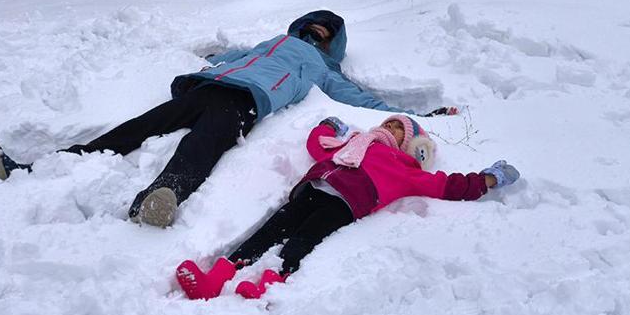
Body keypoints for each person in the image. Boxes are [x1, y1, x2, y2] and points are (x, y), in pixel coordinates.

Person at [0, 10, 432, 228]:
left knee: (198, 148)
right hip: (208, 88)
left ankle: (160, 199)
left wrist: (417, 116)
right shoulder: (273, 40)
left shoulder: (324, 70)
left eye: (324, 35)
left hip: (244, 103)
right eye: (313, 27)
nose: (316, 35)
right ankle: (31, 166)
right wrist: (211, 61)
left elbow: (359, 98)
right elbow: (234, 56)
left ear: (332, 46)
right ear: (300, 27)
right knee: (131, 131)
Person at [175, 115, 520, 300]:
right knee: (270, 231)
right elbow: (317, 145)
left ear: (410, 143)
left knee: (305, 238)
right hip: (313, 188)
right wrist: (329, 126)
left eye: (400, 128)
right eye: (389, 122)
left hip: (347, 202)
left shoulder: (405, 168)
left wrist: (488, 179)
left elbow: (447, 185)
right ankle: (216, 278)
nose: (390, 127)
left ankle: (268, 281)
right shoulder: (349, 144)